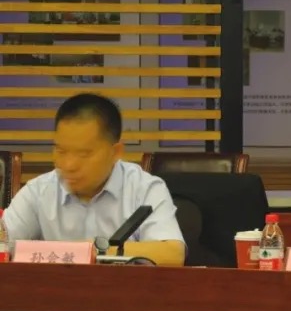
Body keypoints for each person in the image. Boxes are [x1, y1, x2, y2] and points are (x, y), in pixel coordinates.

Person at [3, 93, 186, 266]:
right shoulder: (39, 191)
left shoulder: (144, 189)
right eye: (61, 151)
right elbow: (3, 243)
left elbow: (172, 253)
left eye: (83, 154)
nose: (69, 165)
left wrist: (91, 251)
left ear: (115, 152)